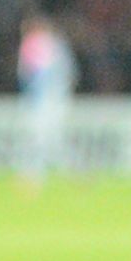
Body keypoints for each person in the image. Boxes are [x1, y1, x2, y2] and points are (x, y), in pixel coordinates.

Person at [18, 13, 78, 190]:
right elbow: (70, 74)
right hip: (55, 99)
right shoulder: (57, 45)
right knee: (51, 139)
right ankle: (72, 172)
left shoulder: (39, 44)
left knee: (40, 138)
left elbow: (32, 76)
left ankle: (32, 176)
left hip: (45, 101)